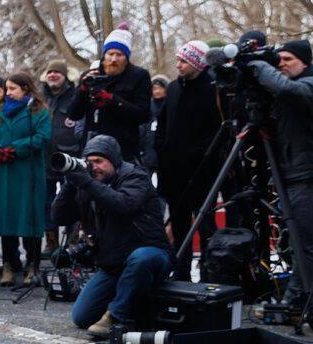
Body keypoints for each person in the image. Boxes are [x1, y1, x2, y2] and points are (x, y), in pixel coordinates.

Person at [248, 39, 313, 310]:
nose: (282, 65)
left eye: (287, 59)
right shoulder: (291, 88)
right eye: (279, 61)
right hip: (301, 175)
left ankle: (298, 301)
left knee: (304, 243)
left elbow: (287, 90)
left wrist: (258, 66)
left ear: (305, 61)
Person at [52, 134, 171, 337]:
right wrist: (72, 182)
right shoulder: (89, 182)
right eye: (89, 163)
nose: (93, 167)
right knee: (81, 317)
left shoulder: (135, 176)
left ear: (114, 160)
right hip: (114, 264)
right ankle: (129, 303)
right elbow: (58, 216)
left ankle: (116, 316)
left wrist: (87, 183)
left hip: (151, 255)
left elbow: (123, 205)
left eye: (99, 161)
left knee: (141, 258)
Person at [153, 41, 223, 281]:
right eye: (178, 60)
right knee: (179, 222)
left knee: (205, 223)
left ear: (196, 63)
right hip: (174, 171)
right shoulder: (173, 88)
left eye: (183, 61)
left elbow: (217, 130)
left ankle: (208, 270)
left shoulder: (211, 89)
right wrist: (161, 149)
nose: (178, 65)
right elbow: (162, 123)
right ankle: (180, 269)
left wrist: (202, 156)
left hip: (202, 171)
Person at [0, 72, 51, 287]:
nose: (8, 92)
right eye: (7, 88)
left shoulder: (38, 111)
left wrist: (17, 148)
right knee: (6, 219)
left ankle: (33, 264)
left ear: (26, 88)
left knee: (29, 218)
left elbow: (43, 137)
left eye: (12, 88)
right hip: (2, 173)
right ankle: (9, 264)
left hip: (27, 171)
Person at [67, 23, 152, 162]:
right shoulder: (90, 76)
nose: (114, 59)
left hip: (124, 150)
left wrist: (112, 100)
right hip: (93, 148)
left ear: (126, 57)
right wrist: (83, 90)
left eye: (119, 55)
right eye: (110, 54)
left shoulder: (139, 76)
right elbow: (73, 113)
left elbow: (142, 115)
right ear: (104, 55)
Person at [41, 60, 81, 257]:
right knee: (46, 201)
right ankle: (51, 242)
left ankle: (73, 241)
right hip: (46, 157)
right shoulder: (40, 97)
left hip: (70, 156)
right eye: (50, 72)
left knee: (72, 198)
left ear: (65, 75)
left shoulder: (75, 95)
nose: (53, 75)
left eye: (57, 72)